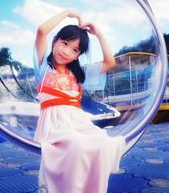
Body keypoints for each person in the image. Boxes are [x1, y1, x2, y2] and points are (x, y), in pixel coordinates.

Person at [33, 10, 125, 193]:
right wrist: (68, 14)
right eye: (64, 43)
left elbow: (110, 63)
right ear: (55, 41)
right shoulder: (43, 68)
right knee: (76, 144)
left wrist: (98, 34)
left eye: (74, 50)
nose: (66, 51)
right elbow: (42, 31)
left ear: (77, 56)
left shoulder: (78, 74)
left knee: (104, 143)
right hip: (55, 126)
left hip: (78, 123)